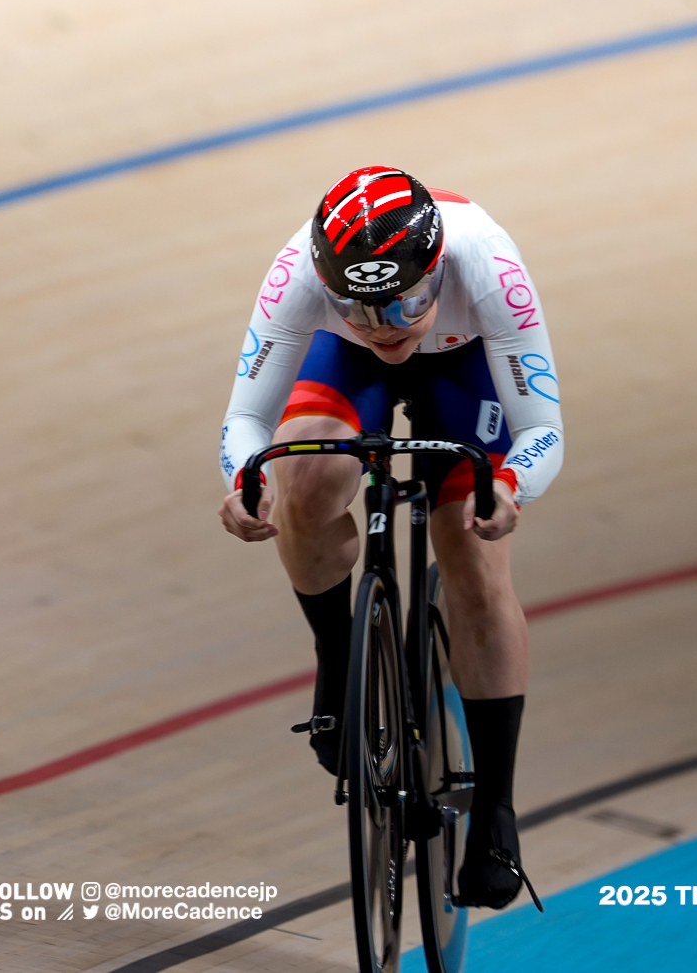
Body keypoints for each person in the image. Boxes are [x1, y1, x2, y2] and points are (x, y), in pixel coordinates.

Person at [215, 165, 562, 909]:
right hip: (345, 375)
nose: (384, 326)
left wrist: (509, 485)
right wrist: (245, 477)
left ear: (436, 268)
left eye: (406, 301)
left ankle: (495, 809)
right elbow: (244, 420)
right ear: (325, 281)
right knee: (300, 482)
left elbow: (543, 430)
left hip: (465, 369)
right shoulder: (297, 276)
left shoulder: (489, 265)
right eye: (358, 307)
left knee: (470, 547)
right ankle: (339, 660)